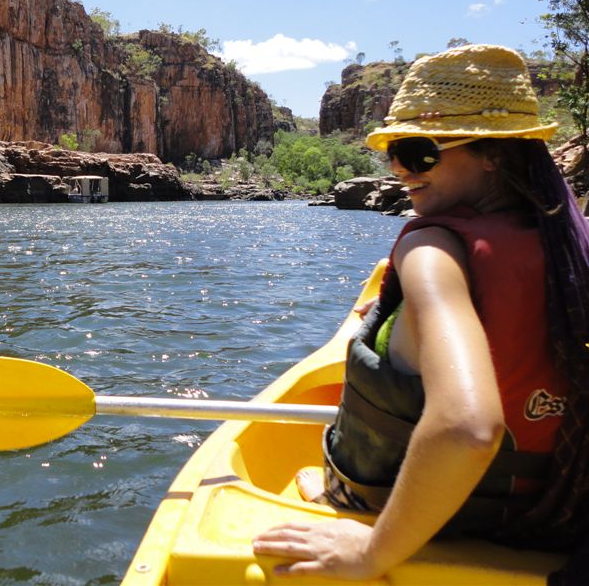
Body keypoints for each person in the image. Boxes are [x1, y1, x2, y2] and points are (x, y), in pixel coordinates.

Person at [251, 44, 589, 582]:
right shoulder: (573, 245)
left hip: (444, 516)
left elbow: (469, 428)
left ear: (494, 154)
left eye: (417, 153)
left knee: (307, 470)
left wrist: (373, 554)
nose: (397, 169)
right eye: (392, 153)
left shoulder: (431, 250)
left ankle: (339, 497)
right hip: (546, 515)